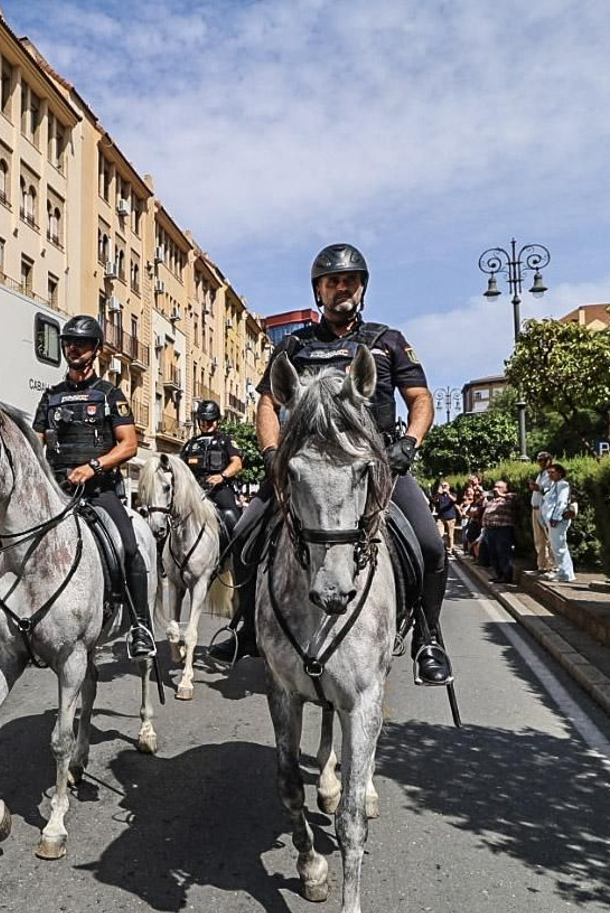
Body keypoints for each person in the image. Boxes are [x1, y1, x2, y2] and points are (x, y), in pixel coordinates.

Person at [208, 243, 453, 686]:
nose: (342, 288)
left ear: (362, 288)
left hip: (374, 464)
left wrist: (409, 444)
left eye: (350, 281)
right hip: (306, 466)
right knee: (242, 537)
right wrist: (272, 453)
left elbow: (420, 399)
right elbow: (267, 403)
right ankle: (245, 627)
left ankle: (428, 638)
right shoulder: (295, 345)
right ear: (318, 291)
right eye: (333, 282)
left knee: (431, 545)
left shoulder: (388, 341)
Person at [32, 314, 155, 659]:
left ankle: (141, 626)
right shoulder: (51, 397)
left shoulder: (110, 395)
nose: (74, 348)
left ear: (96, 349)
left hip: (100, 491)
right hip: (58, 491)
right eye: (69, 343)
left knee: (129, 547)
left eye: (82, 343)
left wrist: (93, 467)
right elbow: (35, 442)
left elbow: (129, 445)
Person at [180, 399, 244, 539]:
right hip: (194, 490)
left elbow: (237, 463)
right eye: (203, 421)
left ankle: (238, 549)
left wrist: (222, 476)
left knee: (233, 518)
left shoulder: (225, 441)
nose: (206, 424)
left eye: (210, 421)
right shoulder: (190, 445)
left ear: (217, 421)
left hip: (219, 488)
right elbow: (181, 467)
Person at [539, 462, 576, 582]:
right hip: (551, 521)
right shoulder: (554, 485)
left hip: (557, 521)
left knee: (559, 547)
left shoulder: (563, 485)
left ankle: (565, 574)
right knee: (556, 547)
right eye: (548, 473)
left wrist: (555, 517)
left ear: (559, 473)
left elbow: (561, 502)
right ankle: (563, 571)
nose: (550, 475)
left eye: (552, 472)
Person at [482, 479, 518, 584]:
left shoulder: (509, 497)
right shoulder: (492, 499)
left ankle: (506, 576)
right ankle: (499, 575)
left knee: (503, 552)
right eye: (495, 487)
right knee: (493, 553)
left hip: (502, 529)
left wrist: (501, 494)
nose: (495, 489)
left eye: (499, 487)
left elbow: (514, 499)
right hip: (490, 529)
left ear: (505, 489)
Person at [527, 450, 557, 575]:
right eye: (539, 460)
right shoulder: (541, 474)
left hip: (545, 509)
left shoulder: (552, 473)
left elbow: (551, 491)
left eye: (544, 460)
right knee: (539, 539)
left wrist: (538, 488)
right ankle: (542, 565)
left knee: (549, 538)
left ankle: (552, 566)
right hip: (535, 509)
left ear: (550, 460)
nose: (542, 462)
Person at [433, 481, 460, 555]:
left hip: (451, 517)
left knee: (450, 535)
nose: (444, 487)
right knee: (439, 534)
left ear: (449, 487)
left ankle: (450, 549)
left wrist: (448, 493)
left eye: (445, 485)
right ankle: (439, 548)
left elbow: (454, 500)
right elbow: (434, 500)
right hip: (441, 518)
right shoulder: (440, 495)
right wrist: (438, 493)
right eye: (442, 485)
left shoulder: (453, 494)